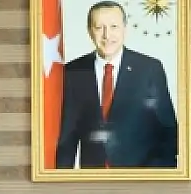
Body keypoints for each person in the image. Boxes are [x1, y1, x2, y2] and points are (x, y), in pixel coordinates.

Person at [54, 0, 179, 169]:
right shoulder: (73, 72)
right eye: (99, 27)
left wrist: (156, 176)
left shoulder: (149, 69)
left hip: (140, 175)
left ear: (124, 29)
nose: (107, 35)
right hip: (93, 178)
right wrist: (60, 178)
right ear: (90, 31)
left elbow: (168, 131)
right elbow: (67, 137)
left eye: (114, 27)